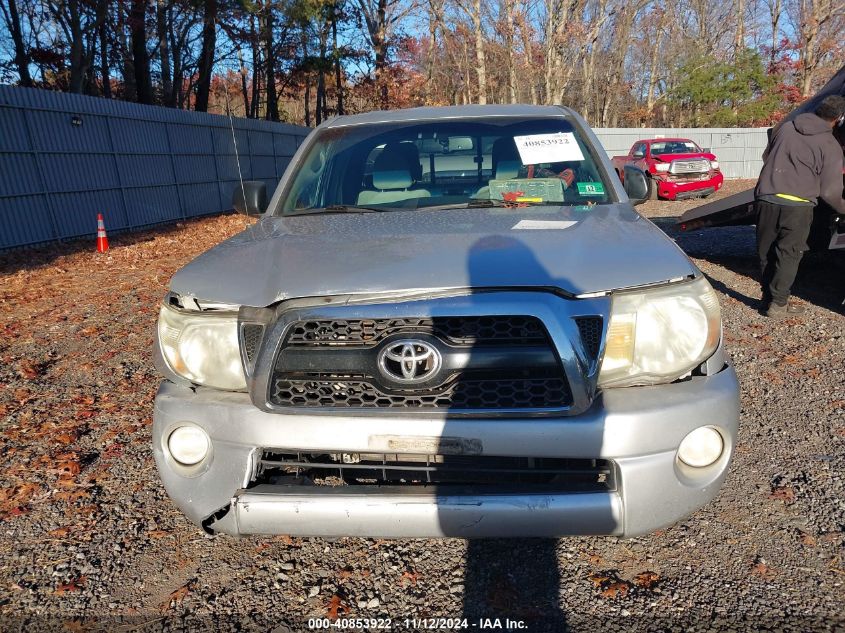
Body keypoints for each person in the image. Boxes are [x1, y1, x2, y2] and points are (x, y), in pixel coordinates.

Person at [755, 94, 845, 318]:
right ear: (838, 119)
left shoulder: (785, 129)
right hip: (797, 205)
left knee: (766, 250)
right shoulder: (829, 144)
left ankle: (768, 298)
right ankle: (778, 304)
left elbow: (766, 155)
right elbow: (830, 191)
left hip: (766, 197)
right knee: (788, 254)